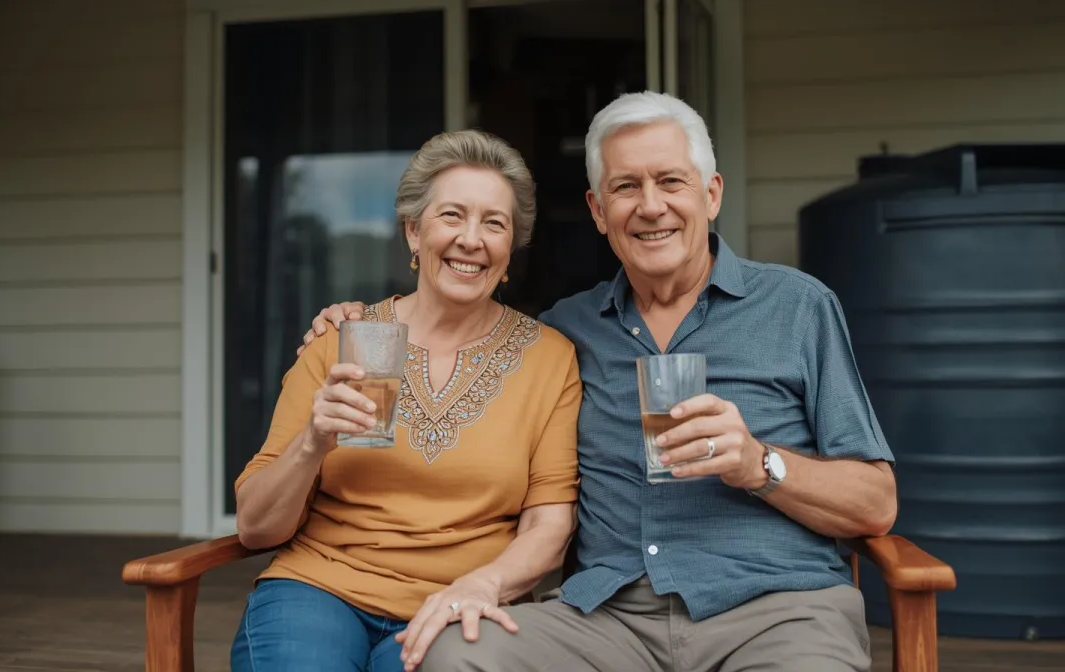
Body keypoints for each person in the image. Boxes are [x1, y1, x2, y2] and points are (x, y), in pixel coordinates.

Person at [300, 92, 897, 672]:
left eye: (671, 181)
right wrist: (356, 319)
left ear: (711, 195)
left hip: (775, 611)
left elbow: (877, 502)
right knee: (454, 654)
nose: (651, 205)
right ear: (596, 210)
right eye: (625, 187)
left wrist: (759, 464)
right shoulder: (563, 335)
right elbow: (461, 333)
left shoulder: (797, 306)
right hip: (608, 619)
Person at [231, 129, 581, 672]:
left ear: (511, 247)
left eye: (494, 222)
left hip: (460, 603)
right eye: (451, 216)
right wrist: (312, 443)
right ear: (413, 232)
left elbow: (548, 528)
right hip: (319, 588)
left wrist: (480, 585)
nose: (472, 239)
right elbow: (256, 528)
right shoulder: (340, 340)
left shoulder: (550, 359)